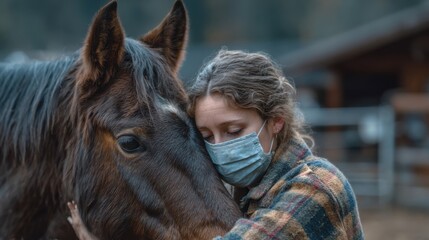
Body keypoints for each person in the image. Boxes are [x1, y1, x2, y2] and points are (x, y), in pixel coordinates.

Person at [68, 49, 364, 239]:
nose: (220, 147)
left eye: (233, 131)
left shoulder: (315, 187)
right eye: (207, 137)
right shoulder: (246, 190)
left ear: (276, 121)